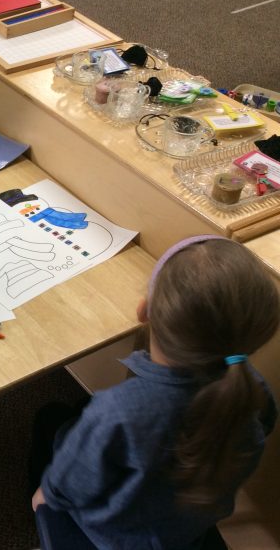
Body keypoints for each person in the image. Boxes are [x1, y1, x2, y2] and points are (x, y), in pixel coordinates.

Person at [30, 235, 279, 550]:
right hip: (185, 531)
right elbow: (262, 426)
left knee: (51, 419)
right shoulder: (253, 392)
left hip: (114, 537)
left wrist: (47, 494)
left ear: (144, 310)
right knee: (82, 414)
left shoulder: (119, 411)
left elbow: (73, 481)